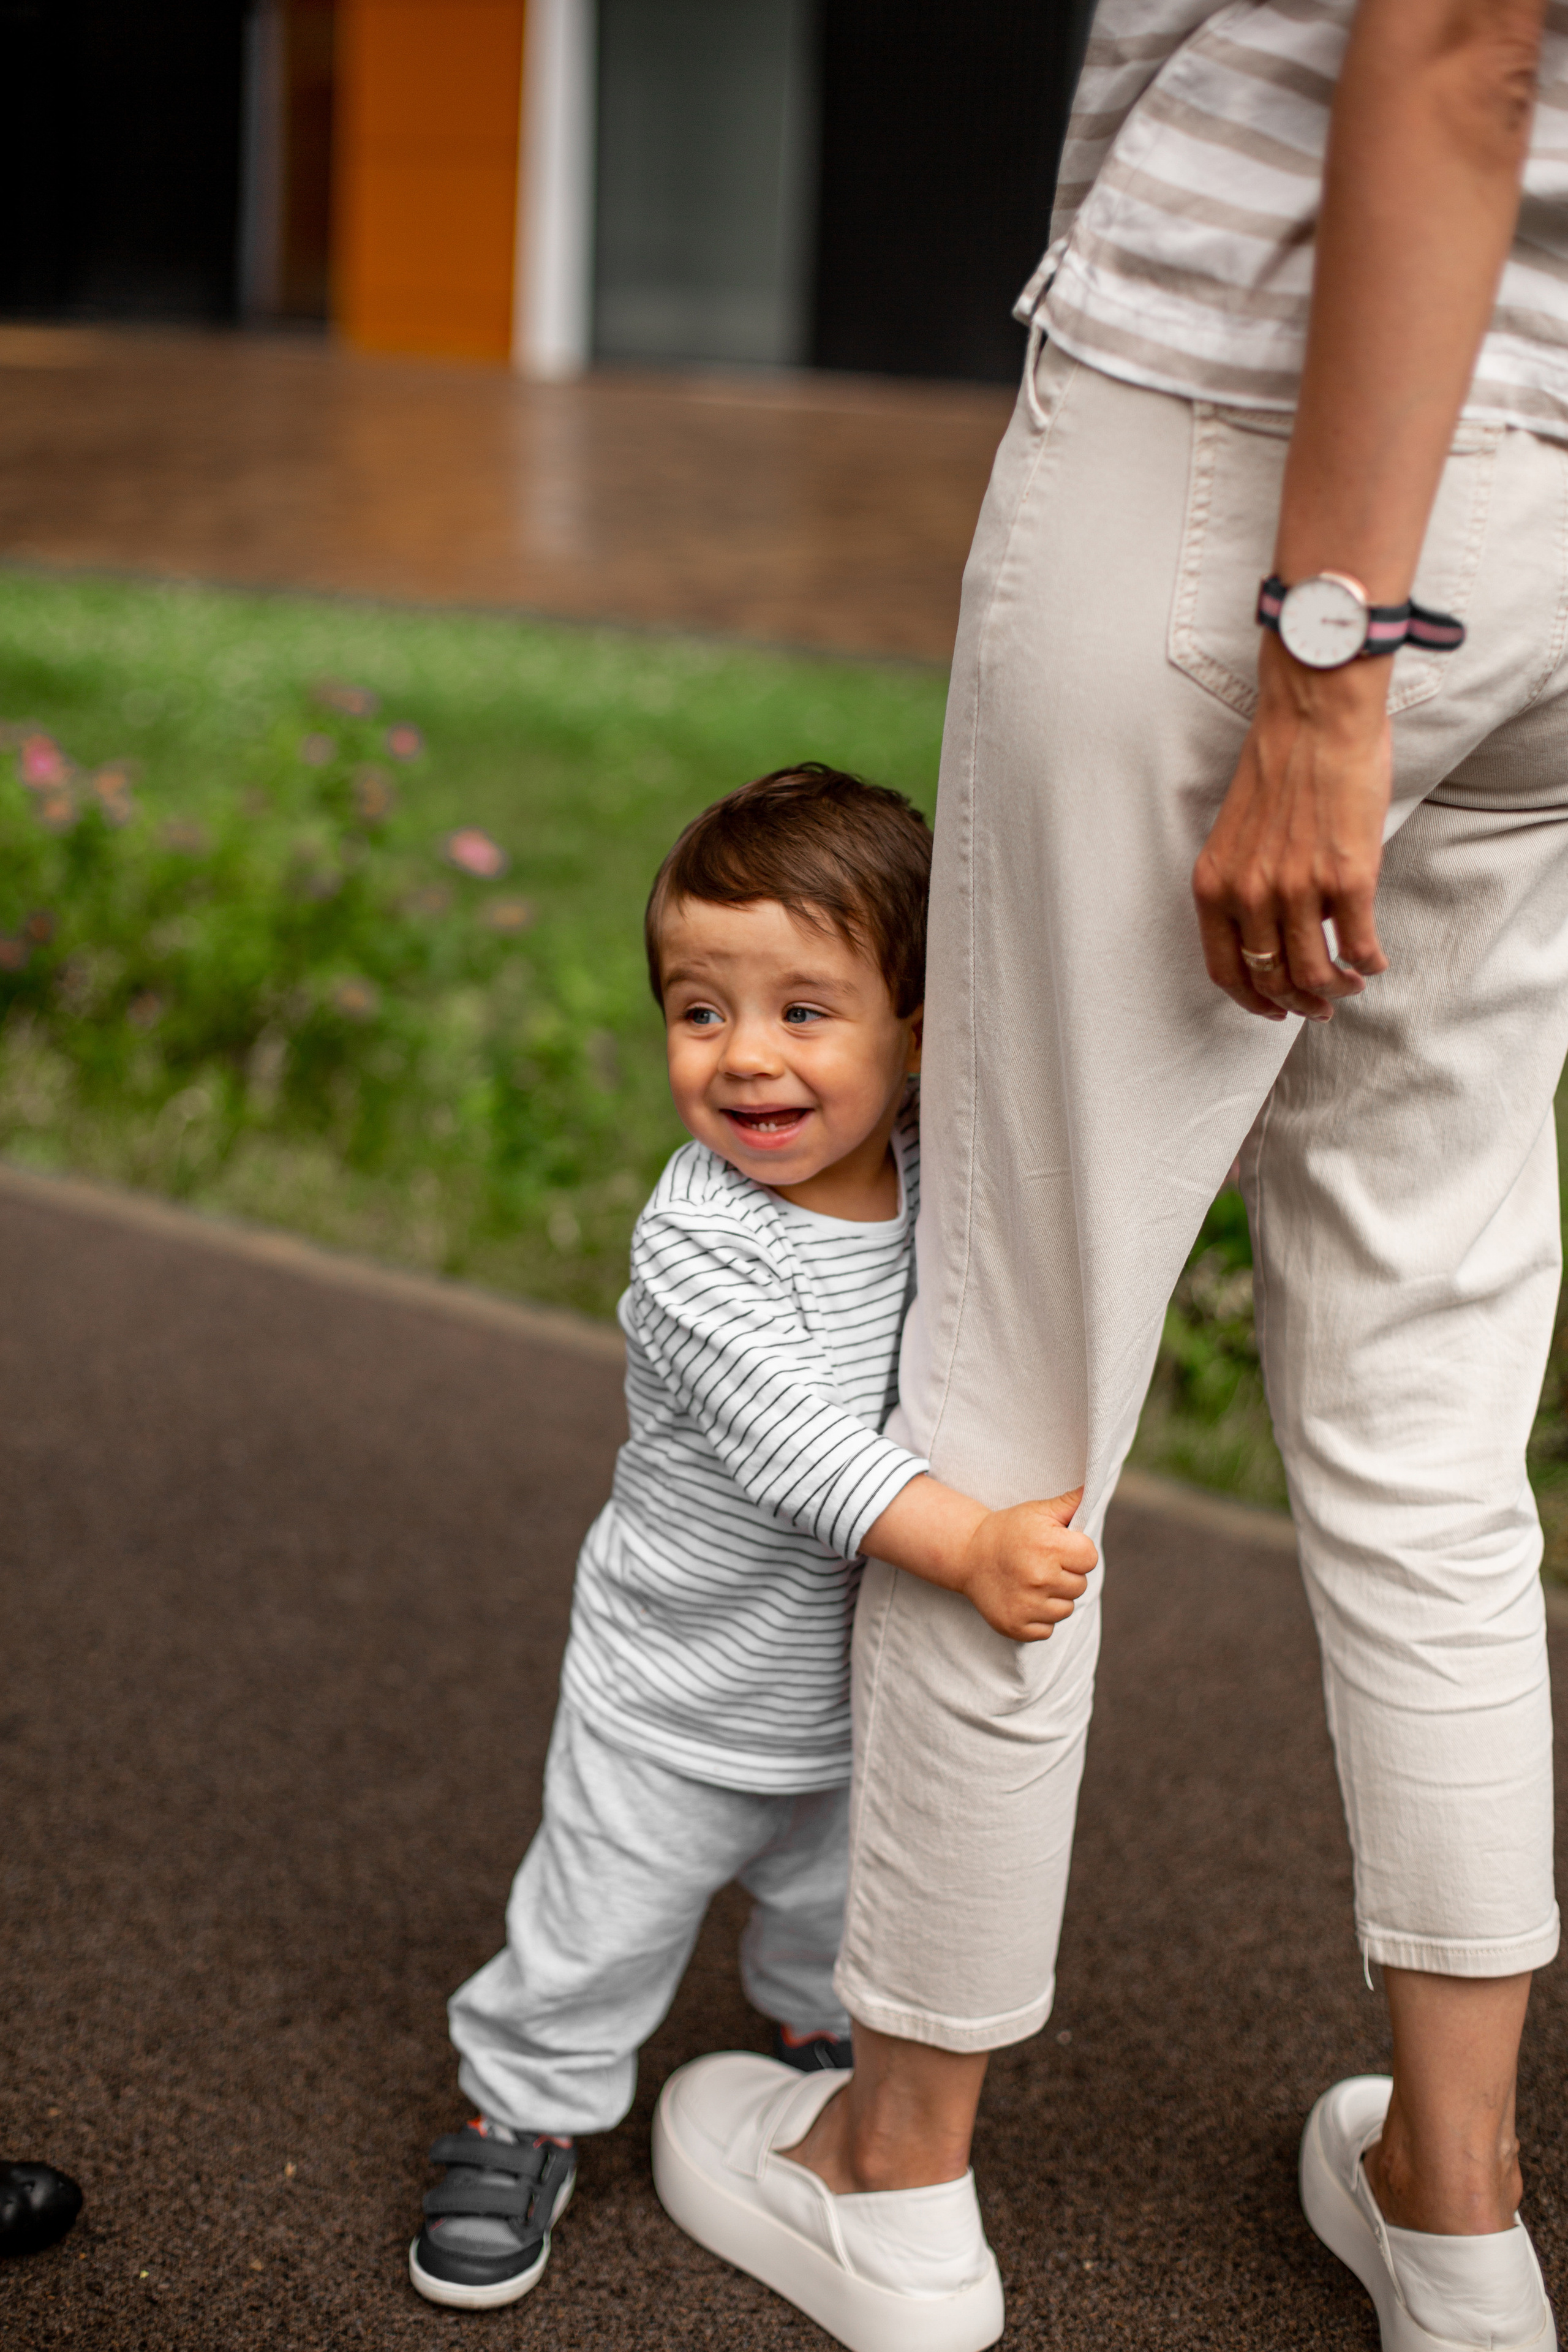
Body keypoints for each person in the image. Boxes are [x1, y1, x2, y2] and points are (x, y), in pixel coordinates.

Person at [652, 4, 1568, 2350]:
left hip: (1265, 466)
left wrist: (1331, 657)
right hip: (1562, 518)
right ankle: (1458, 2212)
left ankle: (895, 2181)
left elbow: (1457, 39)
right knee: (1435, 1406)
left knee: (1021, 1359)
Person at [406, 765, 1093, 2312]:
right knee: (593, 1931)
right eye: (699, 1010)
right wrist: (970, 1549)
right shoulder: (699, 1242)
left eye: (803, 1011)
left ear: (915, 1031)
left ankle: (811, 2040)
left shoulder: (930, 1174)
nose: (744, 1057)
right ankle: (521, 2107)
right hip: (675, 1696)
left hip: (851, 1699)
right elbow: (798, 1452)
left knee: (836, 1908)